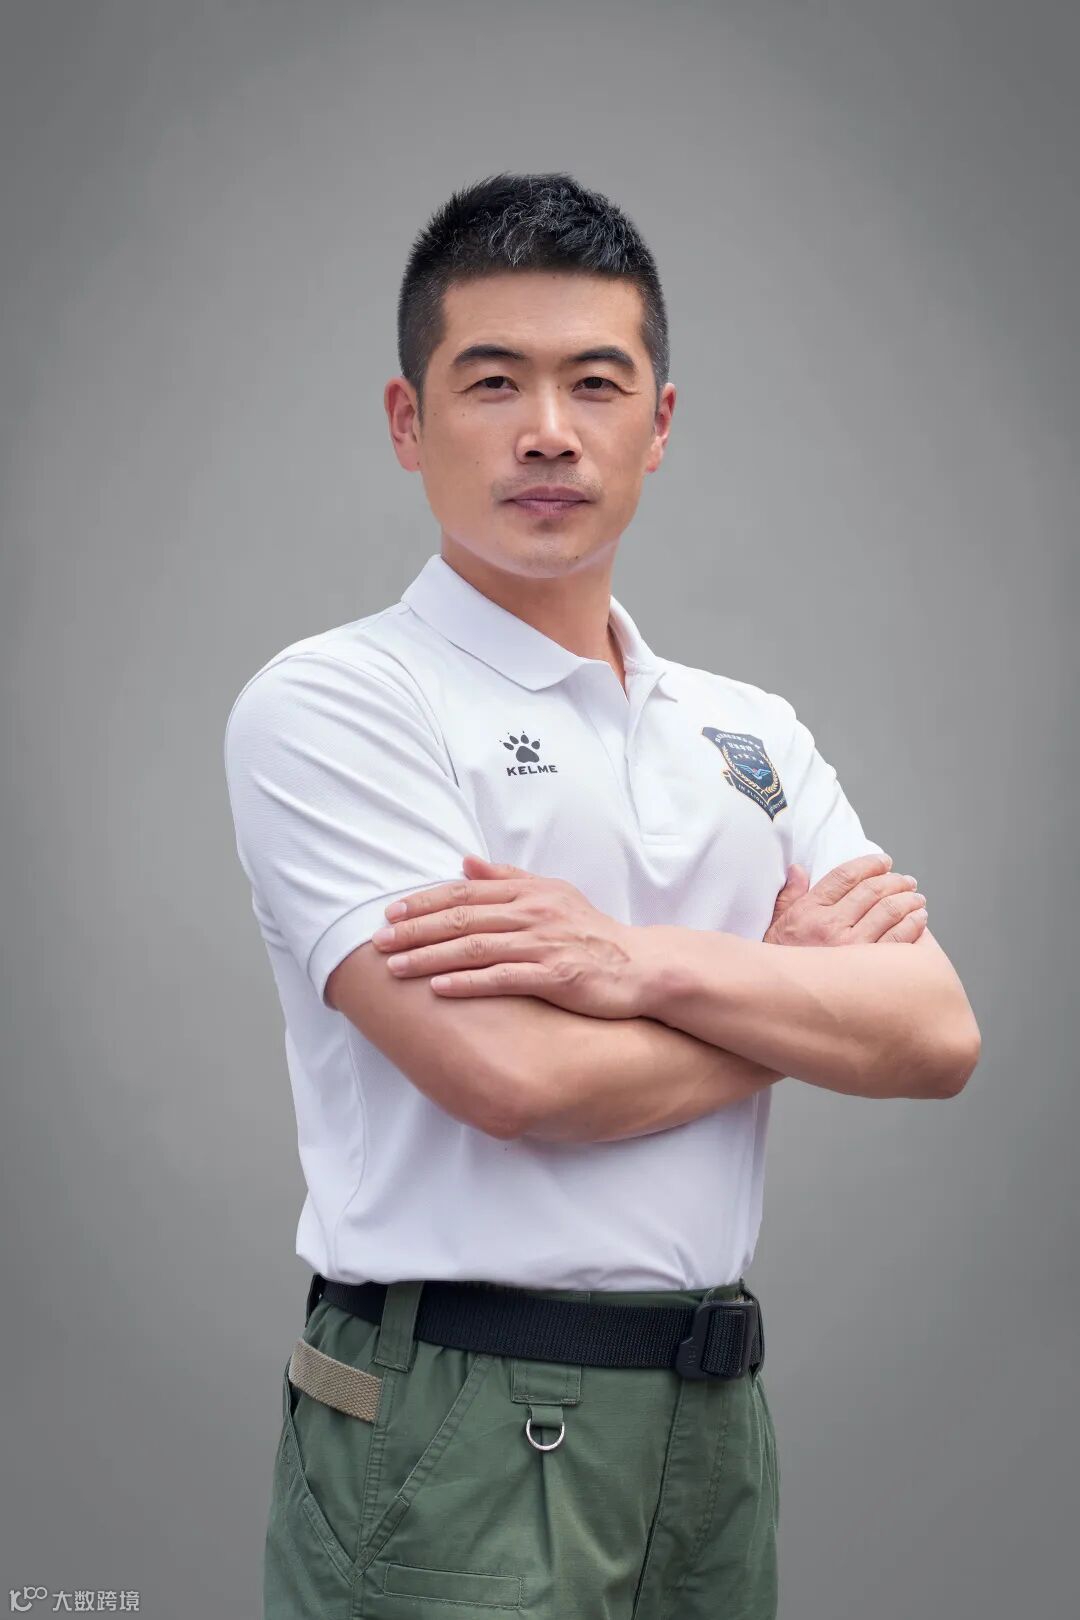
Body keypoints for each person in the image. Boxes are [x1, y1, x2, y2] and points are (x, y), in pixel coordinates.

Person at [223, 171, 980, 1620]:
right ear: (408, 421)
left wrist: (637, 963)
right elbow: (511, 1077)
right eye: (492, 381)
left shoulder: (749, 730)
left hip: (714, 1420)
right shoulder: (338, 703)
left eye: (595, 382)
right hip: (453, 1416)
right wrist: (788, 996)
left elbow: (937, 1034)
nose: (548, 431)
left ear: (660, 422)